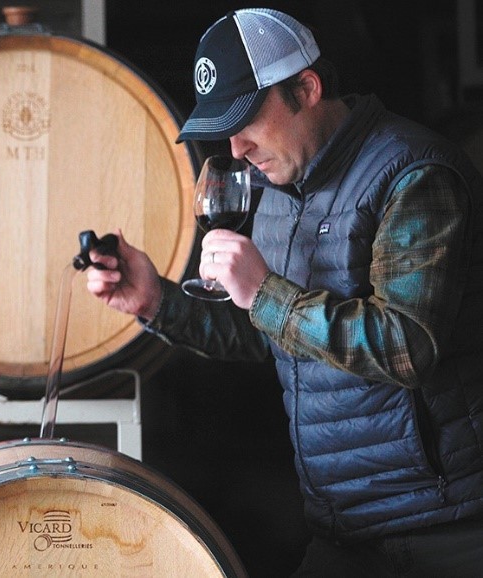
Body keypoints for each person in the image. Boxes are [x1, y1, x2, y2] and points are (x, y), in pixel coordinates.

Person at [85, 7, 483, 577]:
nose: (237, 146)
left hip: (444, 527)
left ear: (307, 88)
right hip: (344, 527)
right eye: (224, 125)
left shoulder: (413, 175)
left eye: (246, 117)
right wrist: (155, 299)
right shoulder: (280, 191)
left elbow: (406, 345)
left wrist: (264, 291)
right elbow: (270, 335)